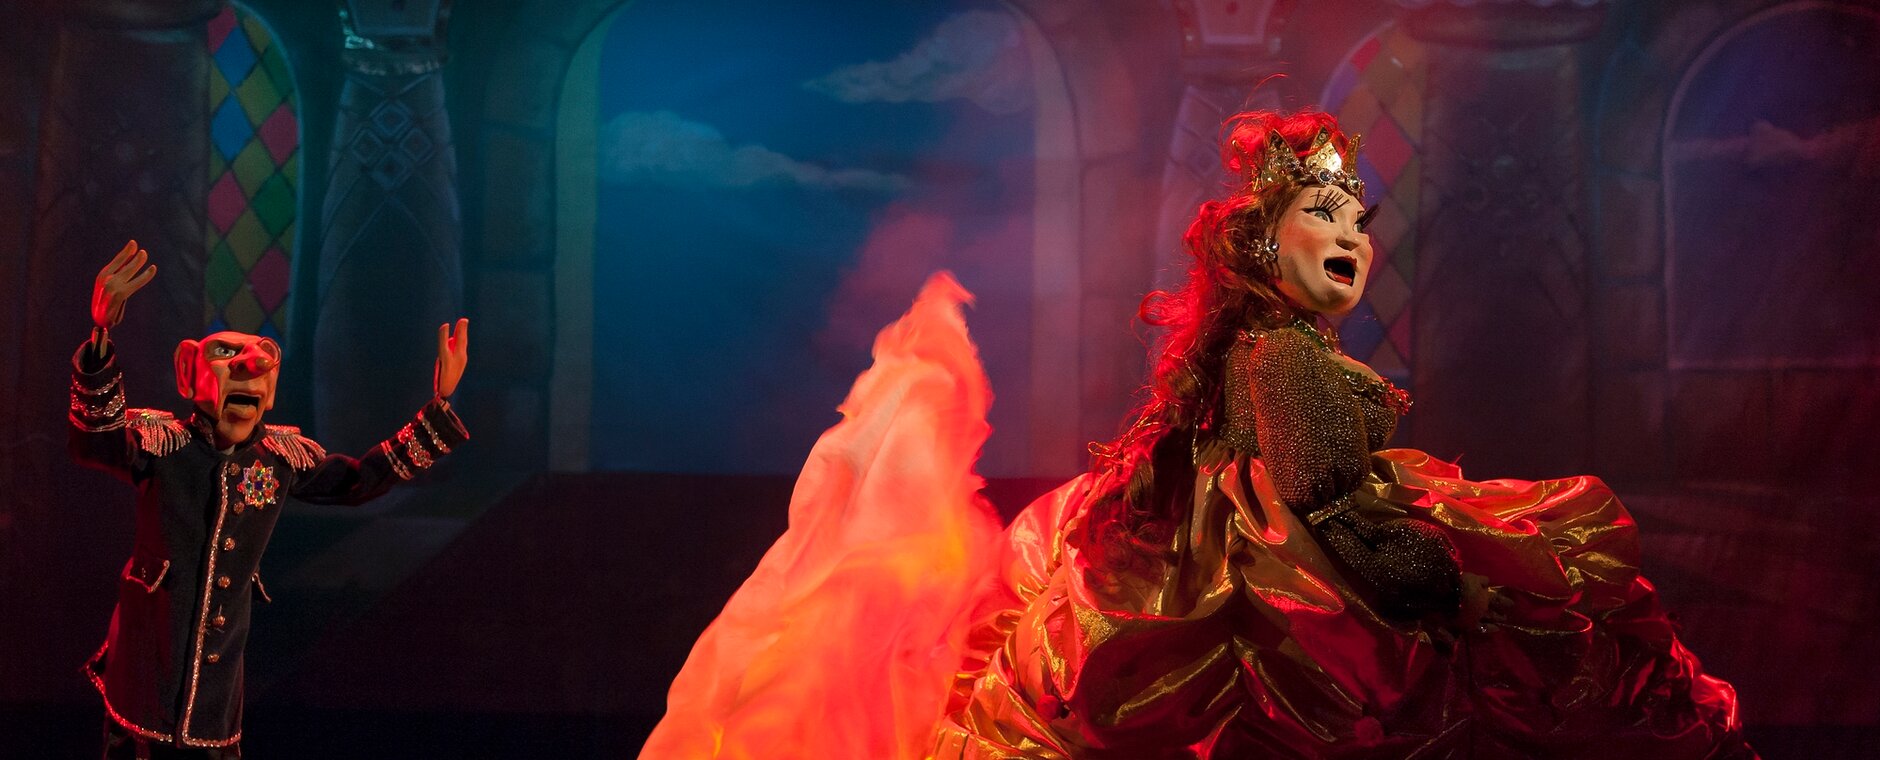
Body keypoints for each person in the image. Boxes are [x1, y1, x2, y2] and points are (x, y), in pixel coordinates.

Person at [644, 111, 1752, 759]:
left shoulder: (1262, 348)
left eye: (1358, 221)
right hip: (1278, 577)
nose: (1351, 238)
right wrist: (1437, 582)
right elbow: (1323, 496)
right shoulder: (1286, 356)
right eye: (1322, 217)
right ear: (1263, 245)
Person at [70, 240, 471, 758]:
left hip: (215, 688)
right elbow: (96, 439)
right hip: (146, 670)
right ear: (189, 372)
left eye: (263, 361)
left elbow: (360, 480)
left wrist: (439, 408)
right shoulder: (163, 445)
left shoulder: (279, 460)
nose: (248, 367)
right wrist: (101, 337)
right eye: (226, 356)